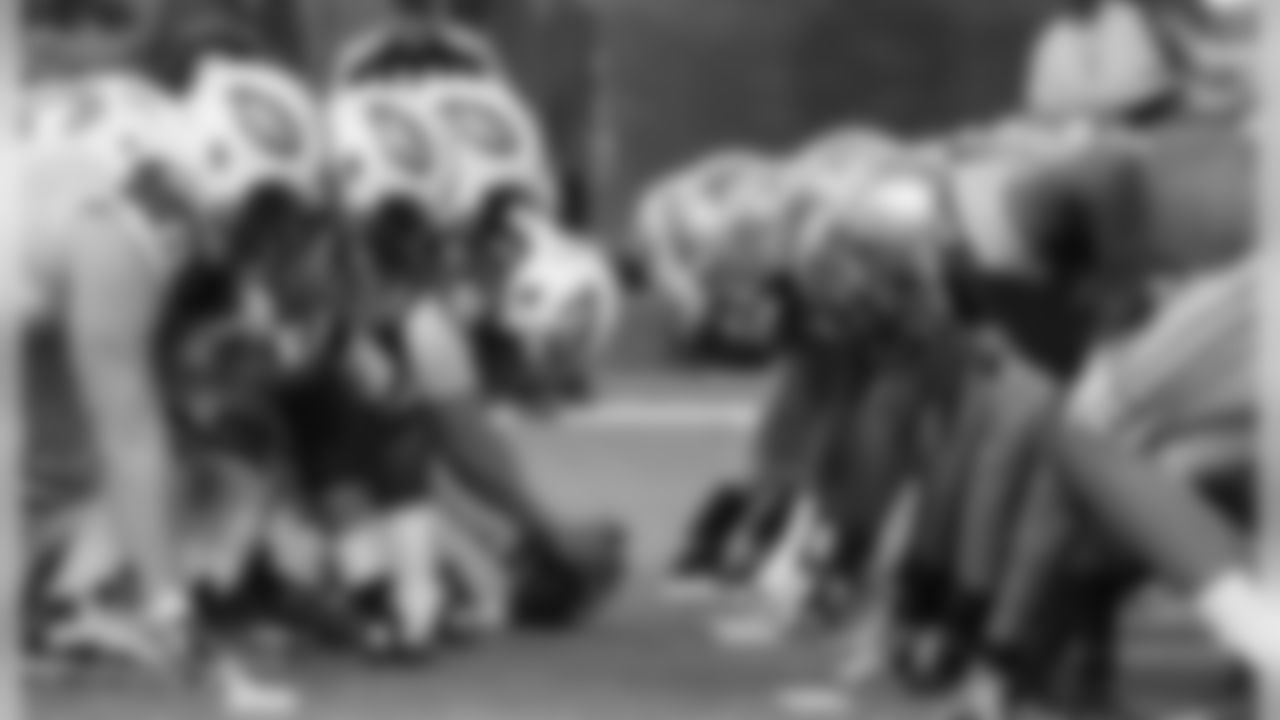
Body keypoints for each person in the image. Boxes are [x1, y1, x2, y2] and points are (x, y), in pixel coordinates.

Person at [1023, 0, 1180, 126]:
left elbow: (1150, 83)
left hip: (1141, 123)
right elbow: (1040, 102)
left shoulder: (1125, 17)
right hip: (1077, 136)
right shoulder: (1053, 36)